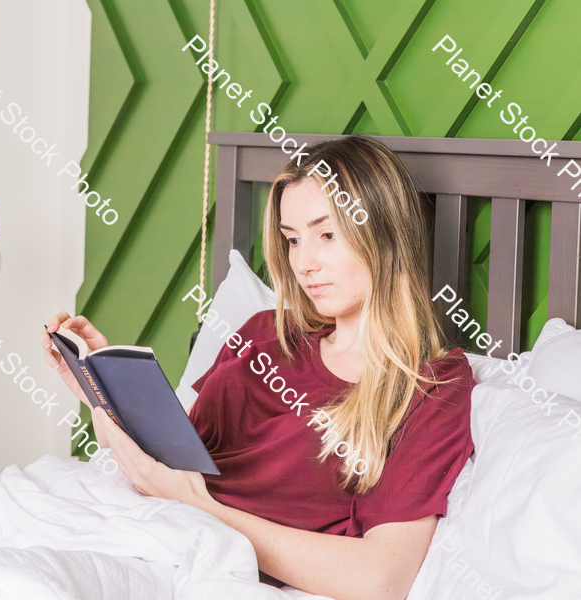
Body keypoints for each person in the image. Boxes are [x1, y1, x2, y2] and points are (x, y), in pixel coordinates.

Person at [39, 135, 475, 600]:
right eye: (292, 239)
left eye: (327, 234)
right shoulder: (263, 331)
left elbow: (381, 579)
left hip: (198, 559)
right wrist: (99, 391)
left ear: (385, 232)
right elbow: (164, 462)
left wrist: (196, 505)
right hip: (131, 519)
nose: (304, 263)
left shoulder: (431, 387)